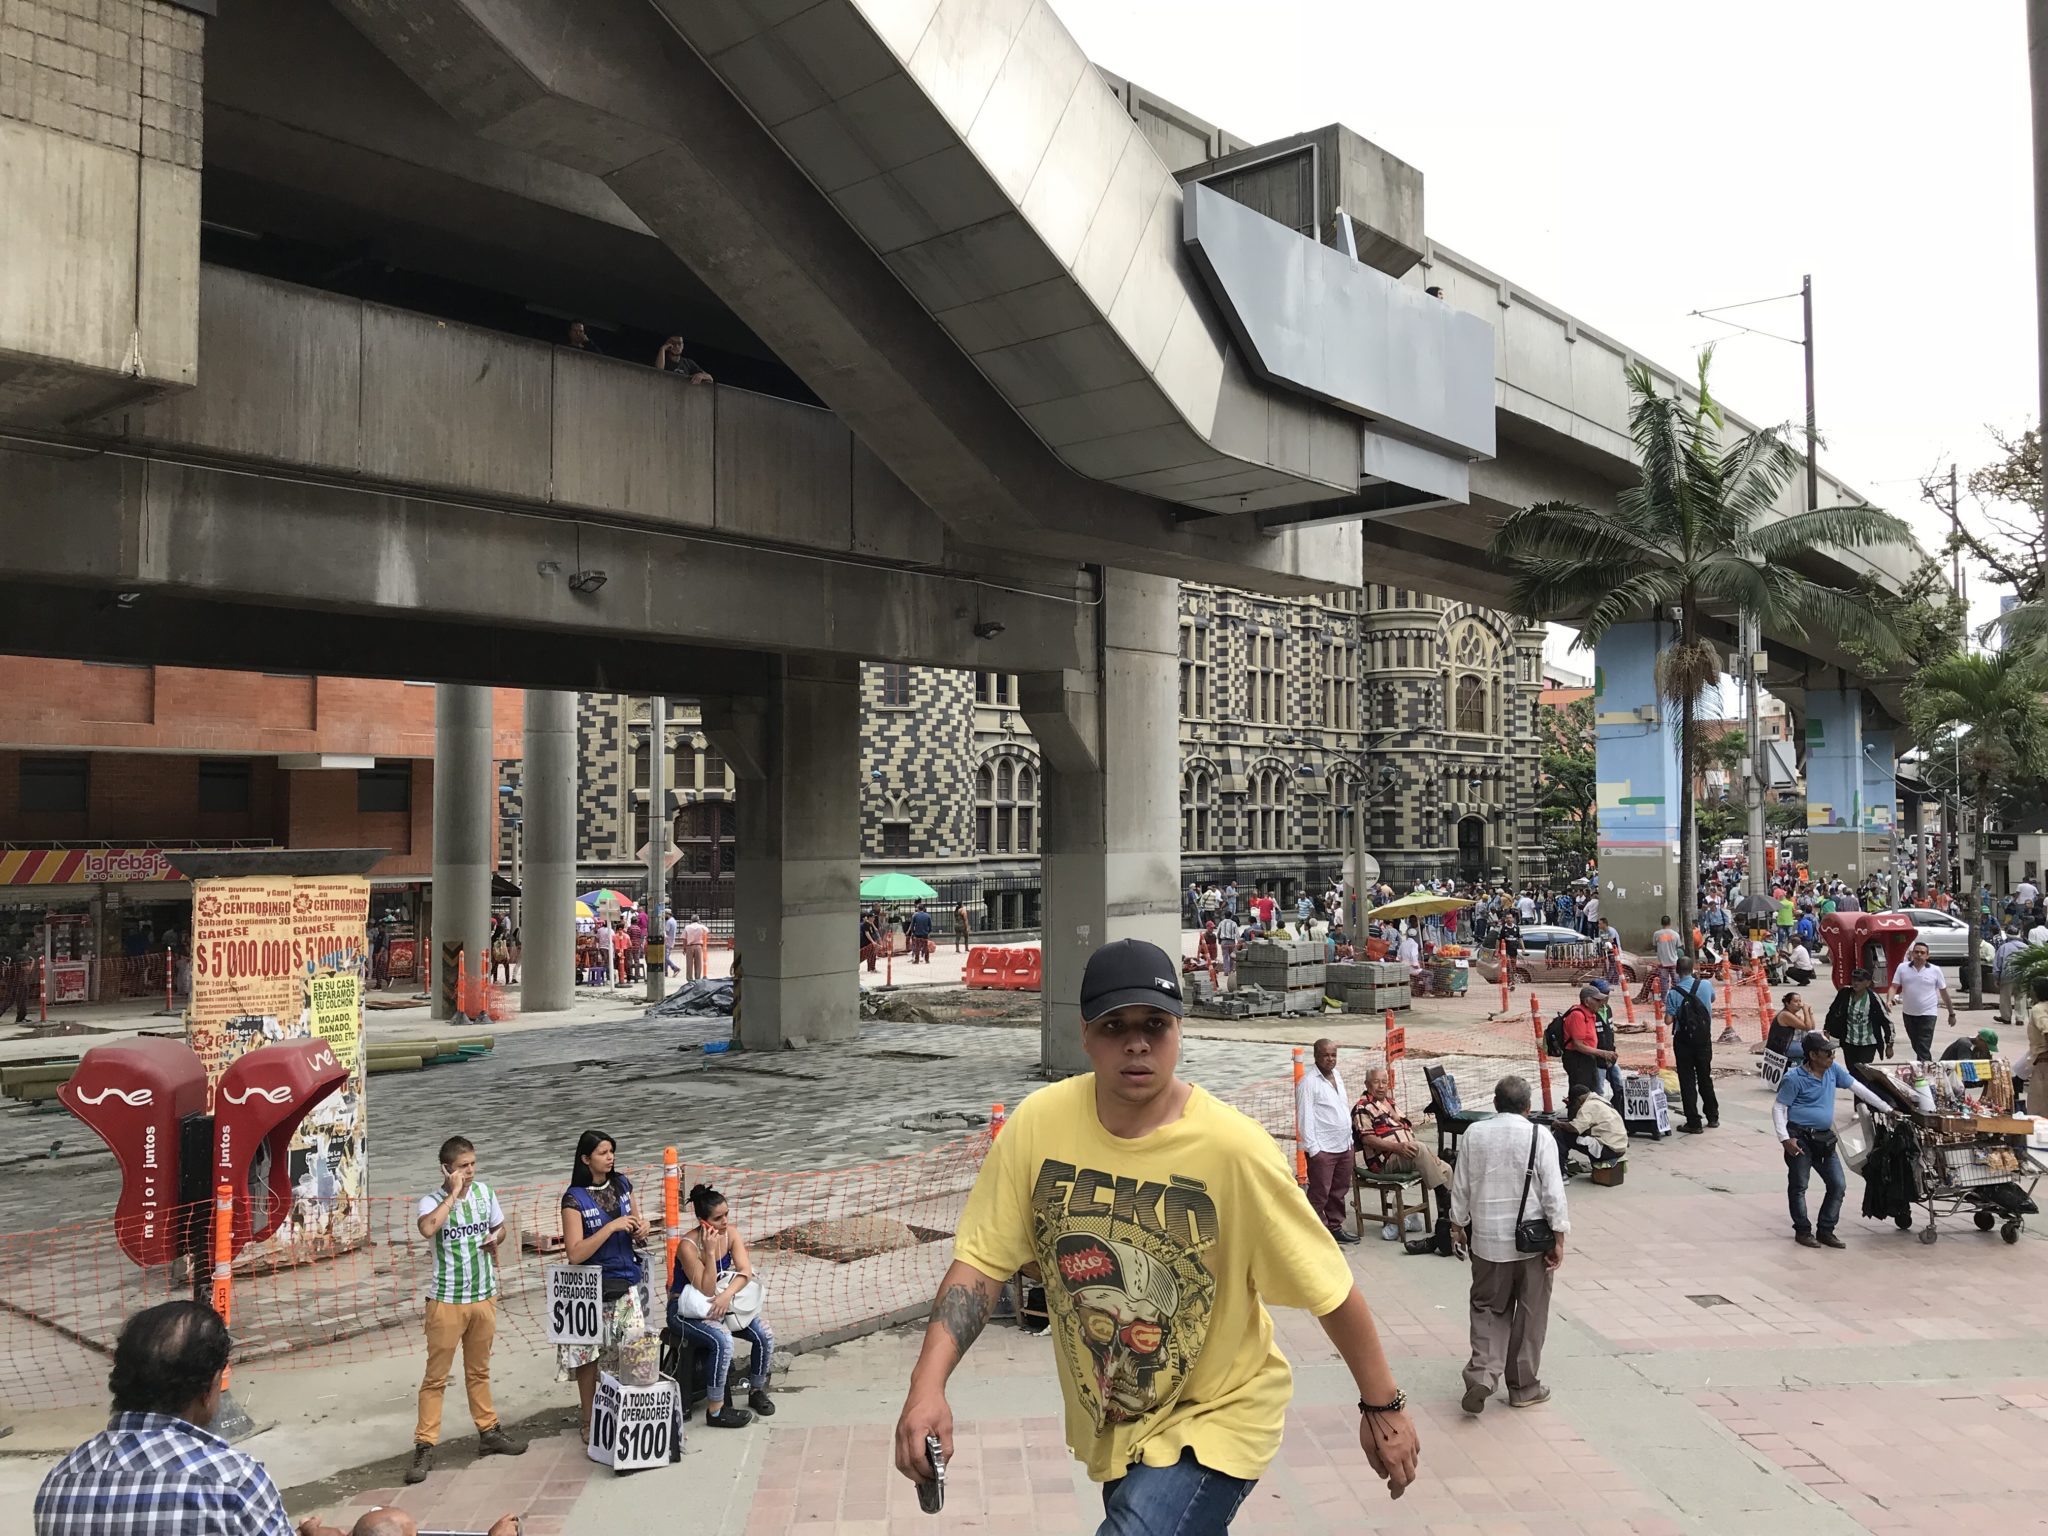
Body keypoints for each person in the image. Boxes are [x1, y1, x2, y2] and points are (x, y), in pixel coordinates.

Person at [892, 937, 1420, 1529]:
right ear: (1085, 1033)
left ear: (1179, 1032)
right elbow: (982, 1265)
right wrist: (926, 1386)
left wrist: (1384, 1405)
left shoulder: (1234, 1150)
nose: (1137, 1042)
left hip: (1218, 1416)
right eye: (1116, 1025)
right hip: (1118, 1424)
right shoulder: (1037, 1128)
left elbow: (1329, 1286)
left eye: (1155, 1025)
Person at [407, 1136, 524, 1485]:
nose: (470, 1172)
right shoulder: (431, 1201)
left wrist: (496, 1238)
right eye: (462, 1166)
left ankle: (489, 1432)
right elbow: (427, 1228)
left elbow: (500, 1229)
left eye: (472, 1164)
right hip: (446, 1299)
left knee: (479, 1370)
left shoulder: (486, 1194)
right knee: (436, 1377)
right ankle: (425, 1444)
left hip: (483, 1295)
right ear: (446, 1169)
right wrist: (453, 1195)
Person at [1448, 1075, 1568, 1415]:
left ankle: (1483, 1374)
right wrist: (1559, 1238)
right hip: (1531, 1244)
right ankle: (1523, 1386)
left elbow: (1461, 1184)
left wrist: (1458, 1226)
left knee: (1487, 1308)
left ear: (1495, 1103)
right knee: (1531, 1314)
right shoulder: (1538, 1135)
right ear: (1528, 1107)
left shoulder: (1475, 1134)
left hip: (1487, 1242)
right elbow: (1553, 1194)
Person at [557, 1130, 650, 1435]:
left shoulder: (623, 1184)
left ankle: (632, 1415)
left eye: (611, 1151)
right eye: (602, 1153)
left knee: (634, 1353)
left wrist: (641, 1229)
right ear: (586, 1159)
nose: (609, 1158)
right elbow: (575, 1252)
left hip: (626, 1282)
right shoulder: (574, 1199)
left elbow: (637, 1222)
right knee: (588, 1358)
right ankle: (588, 1420)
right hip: (589, 1289)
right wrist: (609, 1228)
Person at [1774, 1031, 1894, 1249]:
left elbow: (1860, 1089)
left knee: (1838, 1184)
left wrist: (1887, 1108)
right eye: (1827, 1053)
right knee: (1799, 1185)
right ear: (1812, 1055)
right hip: (1799, 1138)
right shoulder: (1794, 1079)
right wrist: (1785, 1139)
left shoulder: (1833, 1071)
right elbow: (1779, 1108)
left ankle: (1826, 1230)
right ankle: (1802, 1230)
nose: (1832, 1056)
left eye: (1832, 1052)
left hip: (1824, 1139)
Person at [669, 1182, 771, 1427]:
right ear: (703, 1221)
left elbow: (746, 1271)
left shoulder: (732, 1234)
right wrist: (710, 1251)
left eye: (726, 1215)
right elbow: (705, 1287)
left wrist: (726, 1296)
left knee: (764, 1334)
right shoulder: (688, 1246)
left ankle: (756, 1390)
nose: (724, 1222)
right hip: (685, 1310)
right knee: (722, 1340)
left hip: (721, 1305)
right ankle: (716, 1410)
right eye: (718, 1218)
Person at [1352, 1067, 1452, 1239]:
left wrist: (1429, 1154)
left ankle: (1446, 1219)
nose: (1381, 1086)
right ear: (1367, 1084)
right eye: (1376, 1082)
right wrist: (1397, 1148)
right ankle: (1442, 1194)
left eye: (1384, 1082)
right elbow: (1367, 1139)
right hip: (1385, 1161)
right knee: (1419, 1148)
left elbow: (1407, 1130)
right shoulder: (1362, 1107)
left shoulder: (1390, 1103)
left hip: (1406, 1155)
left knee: (1447, 1169)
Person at [1297, 1038, 1358, 1244]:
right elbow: (1304, 1117)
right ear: (1315, 1056)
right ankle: (1311, 1234)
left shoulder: (1337, 1076)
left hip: (1343, 1145)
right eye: (1326, 1055)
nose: (1330, 1059)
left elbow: (1341, 1106)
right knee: (1319, 1193)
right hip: (1323, 1149)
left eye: (1333, 1055)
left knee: (1338, 1191)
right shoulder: (1308, 1083)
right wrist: (1314, 1150)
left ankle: (1334, 1227)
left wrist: (1349, 1140)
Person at [1664, 957, 1719, 1133]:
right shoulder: (1705, 985)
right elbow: (1712, 999)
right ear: (1693, 968)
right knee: (1705, 1077)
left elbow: (1668, 1020)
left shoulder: (1673, 993)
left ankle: (1693, 1122)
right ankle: (1712, 1117)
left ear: (1677, 971)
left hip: (1683, 1041)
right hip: (1703, 1039)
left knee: (1687, 1080)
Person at [1888, 941, 1956, 1062]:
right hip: (1909, 1013)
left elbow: (1944, 992)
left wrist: (1951, 1013)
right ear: (1911, 954)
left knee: (1923, 1045)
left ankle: (1925, 1070)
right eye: (1916, 952)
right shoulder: (1902, 968)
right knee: (1916, 1044)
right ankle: (1927, 1066)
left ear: (1927, 956)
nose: (1919, 955)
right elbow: (1894, 987)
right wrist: (1889, 1000)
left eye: (1922, 952)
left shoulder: (1935, 970)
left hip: (1928, 1013)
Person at [1552, 1084, 1628, 1173]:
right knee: (1583, 1135)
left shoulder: (1588, 1106)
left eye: (1575, 1105)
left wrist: (1559, 1124)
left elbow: (1574, 1128)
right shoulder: (1602, 1100)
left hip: (1609, 1150)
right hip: (1620, 1147)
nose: (1576, 1108)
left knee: (1561, 1134)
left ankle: (1561, 1172)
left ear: (1579, 1100)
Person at [1557, 984, 1612, 1104]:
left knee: (1589, 1092)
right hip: (1577, 1058)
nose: (1600, 1003)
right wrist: (1602, 1053)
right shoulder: (1578, 1015)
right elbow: (1578, 1045)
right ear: (1587, 1001)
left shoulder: (1590, 1014)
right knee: (1580, 1093)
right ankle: (1575, 1118)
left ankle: (1586, 1117)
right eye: (1597, 1000)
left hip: (1586, 1058)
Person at [1650, 916, 1682, 999]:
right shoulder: (1675, 934)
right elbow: (1678, 947)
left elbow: (1655, 947)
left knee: (1664, 982)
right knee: (1676, 982)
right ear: (1670, 923)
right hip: (1674, 962)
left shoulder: (1657, 934)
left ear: (1661, 923)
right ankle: (1677, 997)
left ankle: (1664, 999)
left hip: (1663, 963)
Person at [860, 908, 881, 974]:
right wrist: (872, 942)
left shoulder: (870, 924)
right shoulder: (866, 924)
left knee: (873, 955)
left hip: (870, 943)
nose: (874, 919)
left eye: (874, 917)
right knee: (870, 955)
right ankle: (871, 968)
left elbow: (876, 930)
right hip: (866, 943)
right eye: (873, 917)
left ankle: (872, 968)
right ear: (869, 918)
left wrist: (872, 924)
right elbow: (867, 933)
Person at [663, 909, 681, 977]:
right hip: (671, 941)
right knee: (666, 957)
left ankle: (674, 968)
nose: (664, 916)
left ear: (668, 914)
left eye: (665, 914)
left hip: (667, 941)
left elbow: (666, 931)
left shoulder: (669, 922)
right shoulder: (673, 920)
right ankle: (665, 971)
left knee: (665, 957)